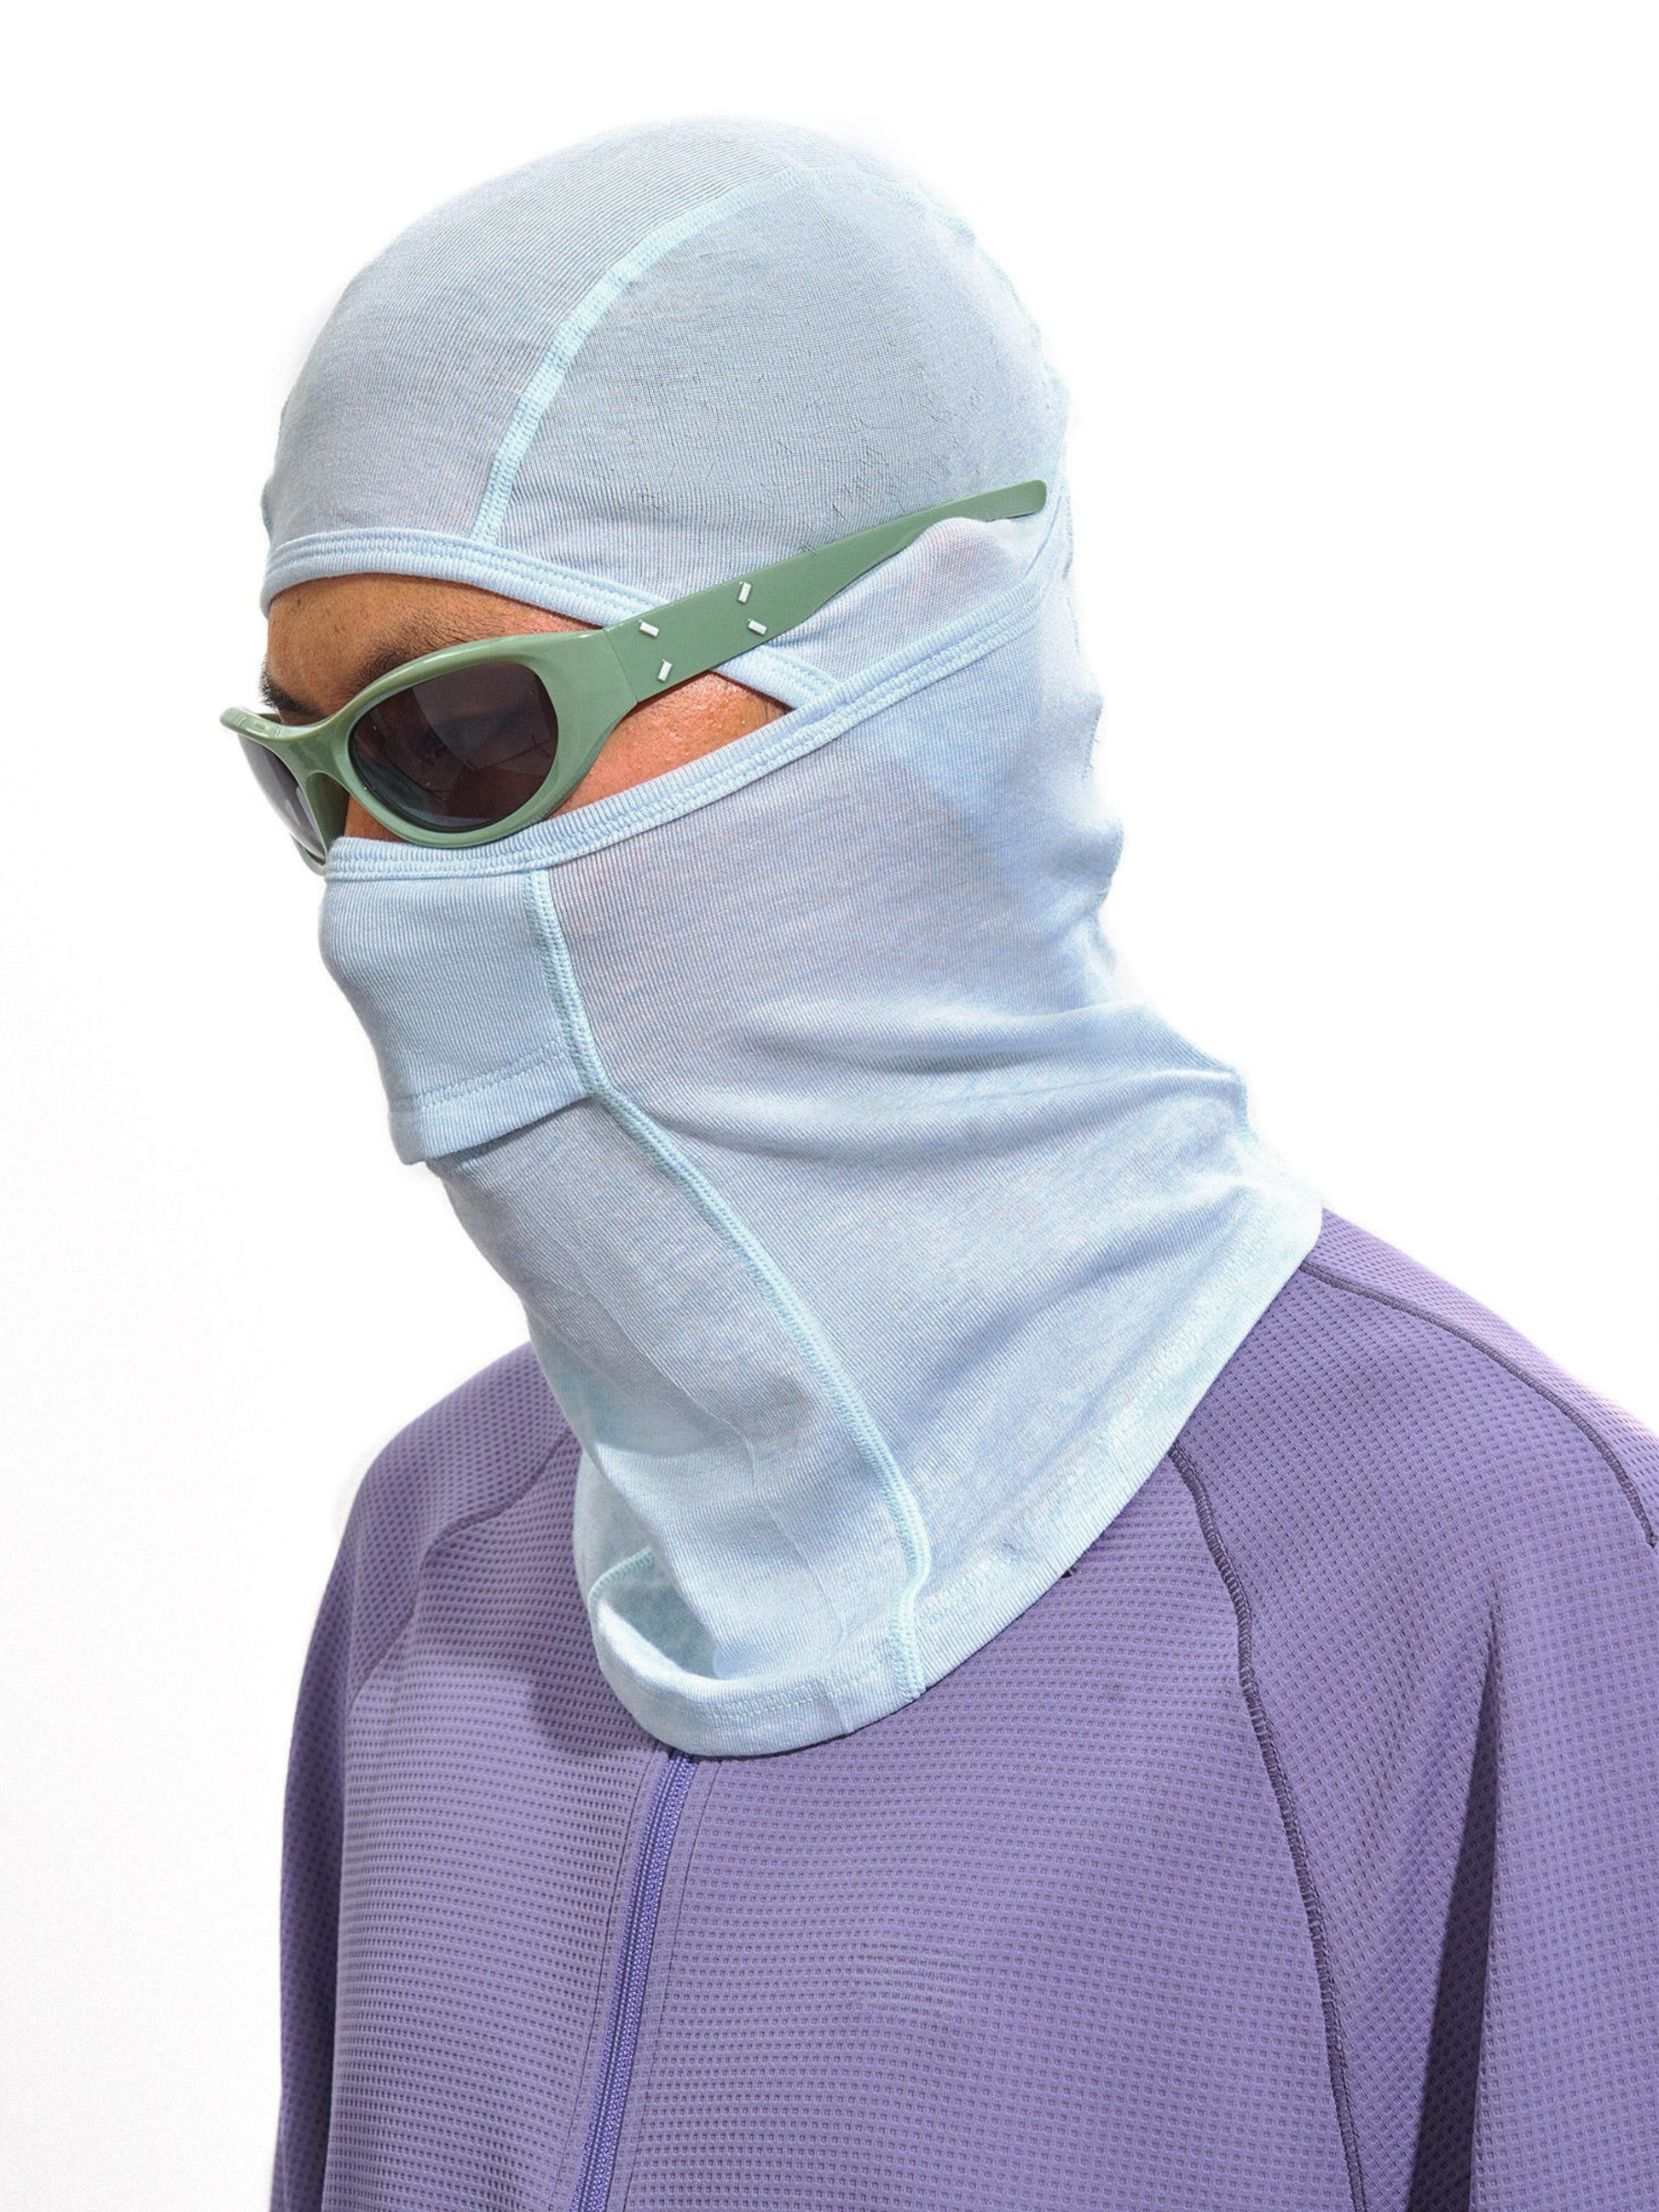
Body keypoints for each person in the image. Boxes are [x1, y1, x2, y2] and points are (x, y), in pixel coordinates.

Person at [233, 118, 1659, 2212]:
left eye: (460, 737)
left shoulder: (1489, 1565)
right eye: (312, 780)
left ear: (908, 671)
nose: (370, 897)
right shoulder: (439, 1552)